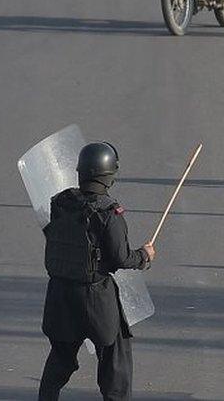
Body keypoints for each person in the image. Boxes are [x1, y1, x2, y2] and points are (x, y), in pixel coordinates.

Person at [38, 142, 156, 401]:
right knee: (115, 358)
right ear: (109, 176)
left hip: (60, 295)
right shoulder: (109, 213)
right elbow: (121, 258)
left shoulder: (61, 204)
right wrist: (144, 256)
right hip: (95, 299)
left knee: (60, 356)